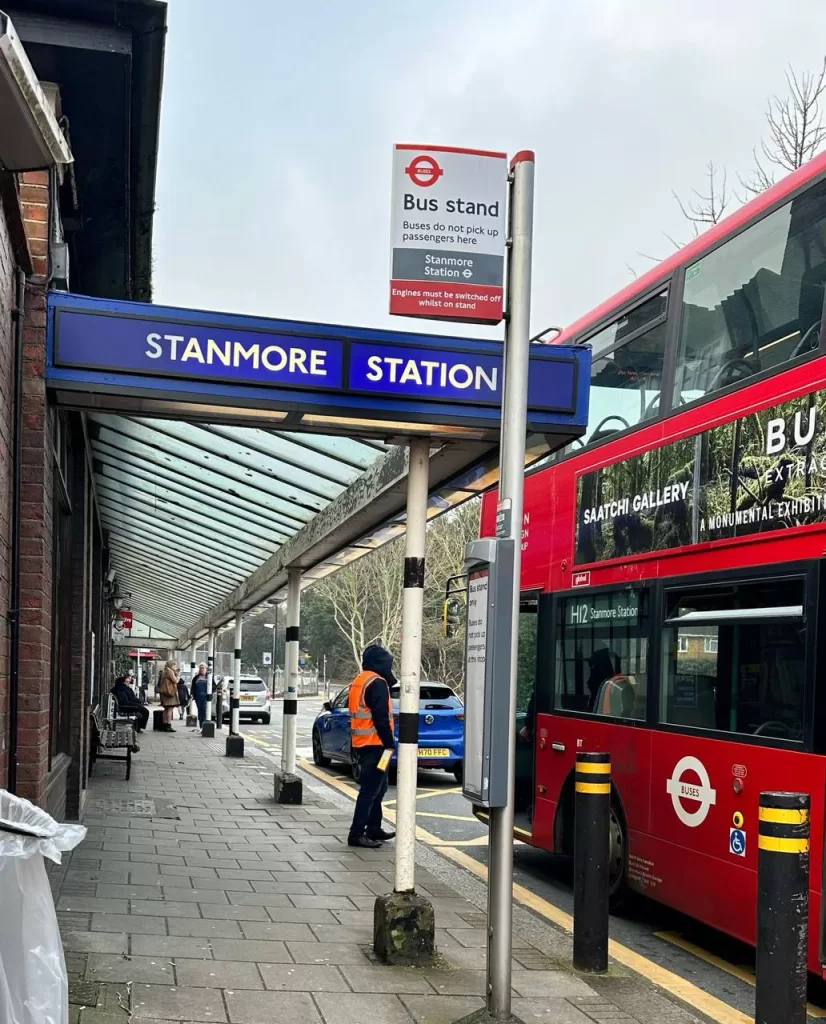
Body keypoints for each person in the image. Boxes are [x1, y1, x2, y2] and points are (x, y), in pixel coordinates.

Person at [347, 644, 397, 848]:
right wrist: (389, 743)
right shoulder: (377, 683)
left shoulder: (360, 679)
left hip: (363, 744)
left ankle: (374, 828)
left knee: (380, 787)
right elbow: (380, 718)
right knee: (369, 791)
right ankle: (356, 834)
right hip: (376, 745)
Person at [158, 660, 179, 731]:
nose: (175, 666)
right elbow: (175, 681)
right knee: (170, 709)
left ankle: (164, 724)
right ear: (171, 665)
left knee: (166, 709)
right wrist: (178, 675)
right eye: (174, 665)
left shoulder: (164, 671)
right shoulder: (170, 671)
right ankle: (168, 725)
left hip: (164, 692)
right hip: (170, 693)